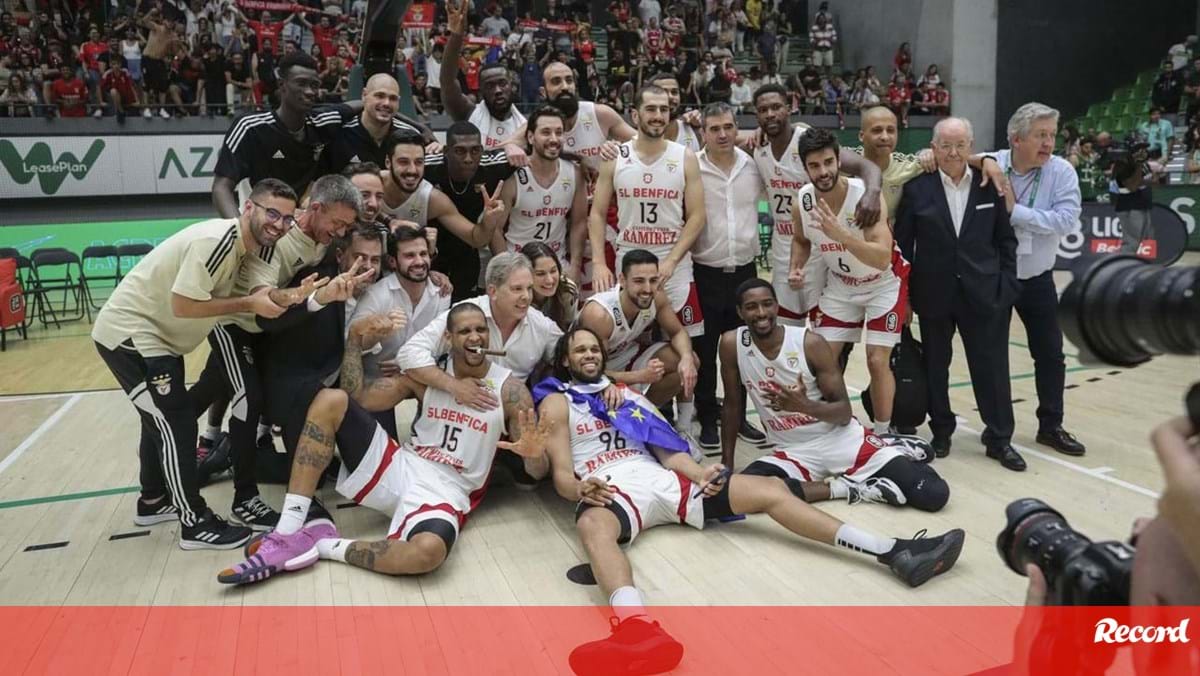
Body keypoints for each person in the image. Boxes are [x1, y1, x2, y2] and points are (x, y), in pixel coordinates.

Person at [543, 327, 964, 676]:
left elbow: (667, 452)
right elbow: (562, 473)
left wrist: (699, 472)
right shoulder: (556, 402)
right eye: (580, 349)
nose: (589, 354)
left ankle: (894, 551)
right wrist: (580, 489)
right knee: (592, 527)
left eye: (594, 348)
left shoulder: (628, 397)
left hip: (663, 479)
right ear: (566, 360)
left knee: (769, 490)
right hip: (609, 484)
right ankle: (636, 630)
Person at [217, 303, 551, 584]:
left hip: (446, 493)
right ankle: (288, 529)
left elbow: (535, 472)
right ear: (448, 338)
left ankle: (322, 545)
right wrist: (353, 342)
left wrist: (534, 456)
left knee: (428, 554)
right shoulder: (428, 377)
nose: (475, 337)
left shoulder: (509, 391)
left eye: (480, 330)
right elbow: (355, 397)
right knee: (330, 400)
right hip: (401, 467)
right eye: (464, 331)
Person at [91, 179, 318, 549]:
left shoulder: (255, 248)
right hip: (129, 337)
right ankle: (194, 523)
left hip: (163, 341)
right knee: (176, 422)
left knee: (165, 419)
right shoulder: (215, 242)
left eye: (287, 218)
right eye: (271, 213)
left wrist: (289, 296)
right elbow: (184, 305)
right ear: (248, 208)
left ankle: (152, 501)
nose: (278, 224)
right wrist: (247, 305)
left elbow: (258, 294)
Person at [189, 175, 364, 526]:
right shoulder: (279, 241)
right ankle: (244, 497)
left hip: (261, 331)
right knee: (247, 399)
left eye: (348, 226)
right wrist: (314, 299)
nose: (342, 232)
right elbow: (265, 311)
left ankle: (164, 463)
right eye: (338, 223)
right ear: (315, 209)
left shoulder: (322, 239)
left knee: (194, 401)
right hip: (235, 323)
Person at [720, 279, 948, 507]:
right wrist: (727, 464)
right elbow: (732, 406)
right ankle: (847, 488)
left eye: (767, 304)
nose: (761, 313)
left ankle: (889, 446)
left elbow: (843, 413)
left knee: (932, 494)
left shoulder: (810, 344)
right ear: (740, 312)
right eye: (751, 307)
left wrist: (802, 405)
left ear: (777, 306)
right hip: (790, 451)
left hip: (840, 439)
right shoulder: (732, 344)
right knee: (737, 493)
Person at [895, 117, 1023, 469]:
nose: (953, 152)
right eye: (946, 146)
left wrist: (1007, 284)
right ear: (933, 148)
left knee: (992, 368)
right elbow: (903, 249)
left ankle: (999, 438)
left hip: (985, 293)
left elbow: (1005, 240)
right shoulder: (917, 188)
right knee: (936, 367)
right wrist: (904, 298)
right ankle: (941, 431)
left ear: (972, 147)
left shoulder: (988, 184)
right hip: (933, 294)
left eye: (960, 145)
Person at [977, 102, 1087, 457]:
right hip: (997, 277)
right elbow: (965, 156)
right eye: (1041, 135)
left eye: (1052, 135)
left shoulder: (1061, 172)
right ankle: (997, 431)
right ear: (1016, 139)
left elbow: (1066, 220)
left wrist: (1016, 212)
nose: (1048, 143)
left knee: (1051, 355)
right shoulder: (994, 162)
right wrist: (984, 161)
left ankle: (1051, 426)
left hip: (1038, 278)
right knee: (994, 357)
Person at [788, 129, 903, 436]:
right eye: (815, 165)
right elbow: (800, 240)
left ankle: (882, 432)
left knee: (877, 360)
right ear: (805, 166)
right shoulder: (802, 201)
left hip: (882, 283)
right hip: (841, 285)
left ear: (839, 159)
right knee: (820, 356)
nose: (823, 171)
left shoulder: (866, 196)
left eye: (828, 162)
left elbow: (881, 258)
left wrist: (842, 236)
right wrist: (795, 266)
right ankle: (833, 422)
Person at [751, 83, 883, 325]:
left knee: (825, 331)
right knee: (787, 329)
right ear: (756, 114)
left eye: (776, 107)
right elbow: (724, 137)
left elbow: (867, 166)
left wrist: (873, 192)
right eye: (763, 110)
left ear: (790, 106)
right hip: (784, 251)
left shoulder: (809, 141)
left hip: (823, 250)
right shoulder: (757, 149)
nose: (770, 114)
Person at [588, 85, 707, 348]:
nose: (658, 115)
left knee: (687, 347)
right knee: (625, 344)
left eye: (664, 109)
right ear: (634, 115)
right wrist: (598, 262)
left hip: (673, 267)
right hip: (629, 262)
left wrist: (672, 260)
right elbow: (596, 213)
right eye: (651, 109)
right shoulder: (615, 156)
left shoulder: (685, 157)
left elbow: (697, 216)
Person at [257, 224, 384, 458]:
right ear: (339, 255)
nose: (368, 266)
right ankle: (240, 457)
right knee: (312, 473)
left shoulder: (377, 290)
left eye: (375, 260)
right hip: (296, 390)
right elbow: (266, 322)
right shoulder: (316, 281)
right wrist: (319, 299)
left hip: (336, 387)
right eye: (359, 257)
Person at [691, 102, 768, 449]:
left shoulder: (754, 166)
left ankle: (738, 419)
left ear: (737, 128)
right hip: (704, 273)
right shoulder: (690, 167)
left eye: (728, 127)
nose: (722, 134)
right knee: (705, 352)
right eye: (714, 128)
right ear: (703, 132)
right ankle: (708, 419)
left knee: (744, 352)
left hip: (745, 275)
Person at [576, 250, 699, 434]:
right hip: (591, 376)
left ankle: (682, 429)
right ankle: (636, 420)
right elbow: (591, 374)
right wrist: (641, 376)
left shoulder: (656, 297)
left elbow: (678, 332)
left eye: (653, 280)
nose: (648, 289)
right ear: (622, 280)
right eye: (639, 281)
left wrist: (687, 359)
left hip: (625, 357)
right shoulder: (600, 314)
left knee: (689, 361)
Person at [383, 126, 512, 300]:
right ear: (388, 163)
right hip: (371, 270)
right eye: (404, 162)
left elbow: (476, 237)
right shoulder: (368, 184)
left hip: (417, 274)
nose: (412, 170)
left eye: (419, 162)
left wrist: (489, 220)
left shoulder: (434, 199)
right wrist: (386, 220)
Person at [351, 227, 451, 434]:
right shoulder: (376, 294)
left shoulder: (441, 292)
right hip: (376, 384)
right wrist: (375, 335)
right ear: (393, 262)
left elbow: (442, 348)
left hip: (422, 380)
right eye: (409, 255)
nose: (419, 261)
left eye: (423, 254)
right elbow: (350, 343)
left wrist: (406, 365)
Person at [423, 121, 519, 299]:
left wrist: (512, 145)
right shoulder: (426, 166)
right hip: (429, 249)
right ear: (446, 151)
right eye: (460, 151)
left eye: (475, 150)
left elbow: (540, 144)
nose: (468, 158)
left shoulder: (492, 165)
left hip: (468, 248)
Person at [493, 105, 588, 279]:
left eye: (559, 133)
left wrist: (575, 266)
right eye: (546, 132)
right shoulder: (514, 175)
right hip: (519, 264)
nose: (554, 139)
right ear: (530, 137)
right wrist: (507, 270)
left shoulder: (575, 173)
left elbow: (579, 223)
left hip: (557, 265)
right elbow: (495, 229)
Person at [440, 0, 525, 148]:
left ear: (511, 85)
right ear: (481, 91)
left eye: (502, 83)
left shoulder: (527, 126)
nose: (498, 90)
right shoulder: (469, 113)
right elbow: (447, 81)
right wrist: (456, 37)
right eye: (490, 86)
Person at [319, 73, 431, 175]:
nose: (386, 103)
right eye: (380, 96)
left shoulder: (410, 136)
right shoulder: (339, 134)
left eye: (393, 98)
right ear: (364, 95)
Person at [521, 242, 580, 331]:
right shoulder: (515, 296)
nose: (550, 280)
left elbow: (570, 332)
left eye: (553, 271)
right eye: (540, 274)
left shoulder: (567, 290)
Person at [1110, 138, 1155, 255]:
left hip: (1142, 204)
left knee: (1142, 239)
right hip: (1129, 206)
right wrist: (1139, 166)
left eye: (1145, 149)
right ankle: (1123, 265)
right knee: (1131, 241)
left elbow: (1151, 181)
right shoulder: (1122, 164)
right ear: (1133, 151)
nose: (1144, 152)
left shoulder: (1145, 164)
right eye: (1141, 149)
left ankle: (1133, 262)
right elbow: (1132, 187)